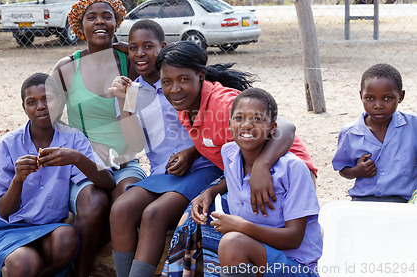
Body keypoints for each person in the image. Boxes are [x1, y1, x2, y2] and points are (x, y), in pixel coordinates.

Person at [154, 41, 318, 275]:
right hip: (248, 175)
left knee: (228, 235)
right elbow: (219, 145)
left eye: (183, 79)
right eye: (166, 82)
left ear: (200, 76)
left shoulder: (224, 104)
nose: (175, 88)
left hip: (278, 172)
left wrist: (262, 166)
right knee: (202, 218)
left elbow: (284, 126)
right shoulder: (192, 112)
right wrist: (199, 167)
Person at [108, 20, 223, 277]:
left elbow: (214, 128)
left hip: (202, 166)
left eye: (148, 46)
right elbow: (134, 144)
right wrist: (124, 103)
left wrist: (191, 152)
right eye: (134, 47)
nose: (140, 53)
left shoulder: (181, 83)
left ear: (163, 47)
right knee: (121, 210)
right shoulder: (131, 91)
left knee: (154, 214)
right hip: (162, 172)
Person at [0, 73, 115, 277]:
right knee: (26, 262)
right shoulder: (7, 146)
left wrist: (77, 158)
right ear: (24, 108)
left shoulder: (73, 139)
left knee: (68, 237)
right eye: (32, 102)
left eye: (48, 99)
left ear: (59, 101)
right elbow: (4, 212)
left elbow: (108, 183)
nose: (40, 106)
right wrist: (18, 179)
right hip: (10, 229)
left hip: (50, 229)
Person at [51, 0, 147, 276]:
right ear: (80, 27)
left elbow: (136, 113)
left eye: (107, 16)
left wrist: (125, 97)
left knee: (126, 199)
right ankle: (81, 271)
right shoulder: (66, 68)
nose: (100, 22)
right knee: (93, 204)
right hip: (84, 163)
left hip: (126, 160)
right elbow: (51, 122)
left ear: (117, 22)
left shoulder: (128, 61)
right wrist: (83, 150)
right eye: (91, 17)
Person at [195, 88, 322, 277]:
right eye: (239, 118)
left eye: (257, 119)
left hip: (295, 267)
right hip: (255, 257)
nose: (246, 125)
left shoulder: (292, 168)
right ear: (229, 125)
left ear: (272, 128)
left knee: (232, 242)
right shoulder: (230, 154)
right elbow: (236, 182)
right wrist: (210, 192)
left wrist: (242, 226)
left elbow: (294, 239)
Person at [332, 63, 417, 203]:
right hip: (364, 200)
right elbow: (342, 168)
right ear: (361, 96)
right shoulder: (350, 133)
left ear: (401, 96)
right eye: (370, 98)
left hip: (405, 202)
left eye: (387, 98)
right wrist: (356, 172)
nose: (378, 105)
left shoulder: (413, 126)